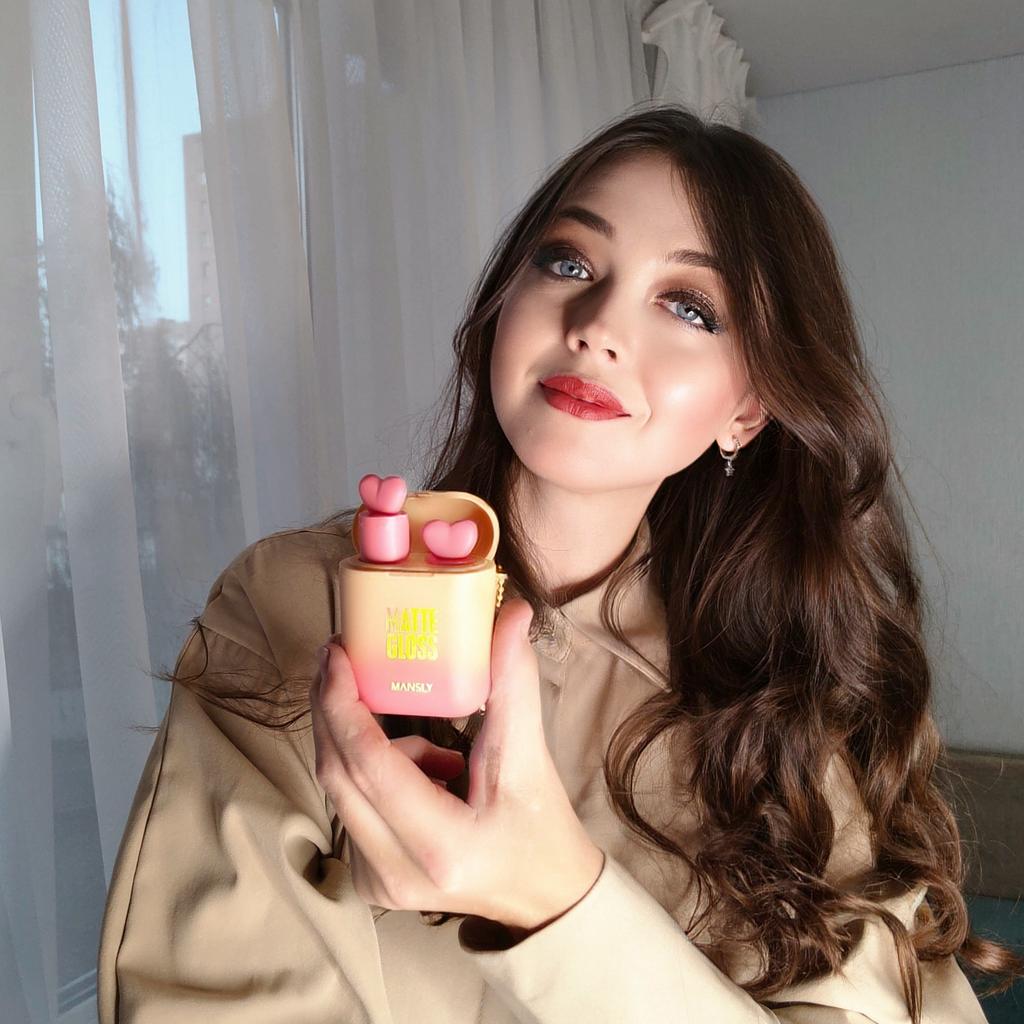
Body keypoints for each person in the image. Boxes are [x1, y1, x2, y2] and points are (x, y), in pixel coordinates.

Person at [96, 105, 1020, 1023]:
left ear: (747, 411)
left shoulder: (783, 711)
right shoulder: (293, 601)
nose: (598, 325)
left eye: (690, 307)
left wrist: (558, 900)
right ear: (504, 305)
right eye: (570, 262)